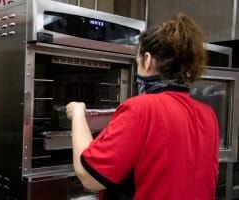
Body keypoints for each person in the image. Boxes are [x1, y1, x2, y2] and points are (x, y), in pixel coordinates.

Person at [66, 13, 220, 200]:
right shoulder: (207, 114)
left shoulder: (142, 108)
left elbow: (89, 178)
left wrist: (78, 114)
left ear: (147, 59)